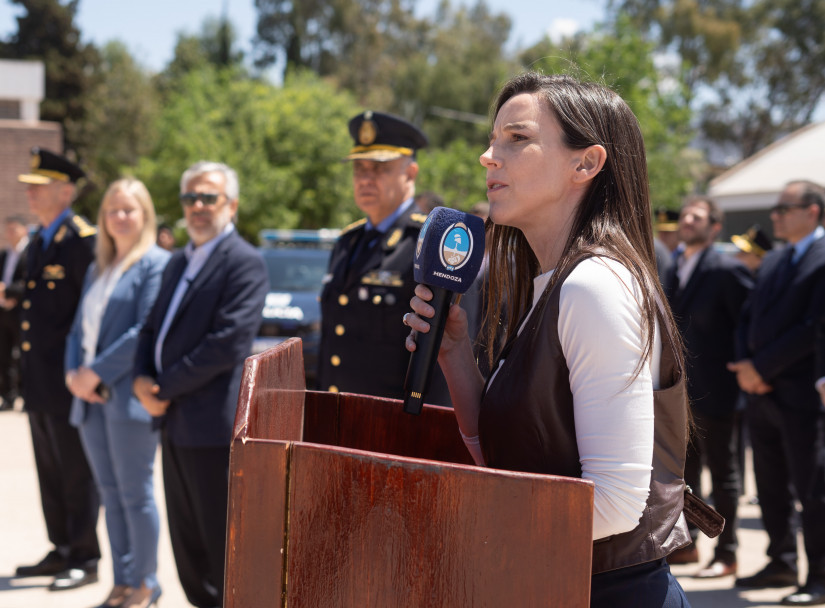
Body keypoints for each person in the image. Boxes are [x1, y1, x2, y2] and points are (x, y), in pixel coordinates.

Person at [405, 73, 692, 606]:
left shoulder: (593, 285)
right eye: (493, 142)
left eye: (516, 139)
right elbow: (510, 460)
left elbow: (613, 503)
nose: (489, 157)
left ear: (585, 163)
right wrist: (454, 356)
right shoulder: (553, 284)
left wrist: (452, 518)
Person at [133, 161, 268, 608]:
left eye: (208, 197)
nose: (197, 206)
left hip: (211, 429)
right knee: (187, 550)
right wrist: (140, 379)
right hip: (173, 423)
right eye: (190, 197)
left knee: (219, 548)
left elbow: (226, 344)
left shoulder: (244, 263)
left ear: (230, 204)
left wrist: (163, 387)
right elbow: (151, 327)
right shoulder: (177, 261)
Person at [66, 178, 170, 608]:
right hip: (88, 399)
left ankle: (146, 583)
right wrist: (74, 374)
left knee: (135, 492)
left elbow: (141, 331)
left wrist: (94, 372)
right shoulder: (99, 267)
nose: (120, 217)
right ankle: (122, 582)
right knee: (110, 494)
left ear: (144, 215)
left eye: (129, 209)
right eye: (112, 210)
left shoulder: (156, 263)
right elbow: (78, 329)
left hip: (127, 397)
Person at [729, 180, 825, 605]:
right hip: (762, 393)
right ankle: (780, 560)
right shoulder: (776, 258)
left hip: (802, 393)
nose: (775, 216)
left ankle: (819, 575)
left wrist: (761, 367)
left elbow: (813, 328)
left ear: (813, 211)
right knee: (770, 484)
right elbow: (745, 318)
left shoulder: (822, 258)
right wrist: (745, 368)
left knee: (813, 488)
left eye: (785, 208)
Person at [13, 148, 101, 592]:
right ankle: (62, 547)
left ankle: (86, 556)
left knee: (75, 469)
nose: (30, 193)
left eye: (39, 186)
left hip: (68, 379)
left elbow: (90, 314)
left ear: (65, 191)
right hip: (39, 377)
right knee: (48, 467)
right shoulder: (39, 239)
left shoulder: (81, 239)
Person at [318, 110, 449, 404]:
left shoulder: (428, 244)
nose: (365, 179)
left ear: (411, 173)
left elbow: (442, 361)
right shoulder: (347, 243)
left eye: (378, 169)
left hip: (391, 429)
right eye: (359, 169)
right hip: (334, 419)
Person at [662, 196, 753, 578]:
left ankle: (727, 553)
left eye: (696, 217)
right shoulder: (675, 264)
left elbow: (747, 325)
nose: (686, 220)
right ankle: (689, 546)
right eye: (685, 214)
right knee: (687, 473)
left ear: (715, 227)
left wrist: (744, 369)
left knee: (724, 473)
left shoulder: (726, 268)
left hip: (718, 390)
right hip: (682, 392)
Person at [0, 215, 29, 412]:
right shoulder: (3, 254)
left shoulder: (30, 252)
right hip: (2, 312)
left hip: (22, 312)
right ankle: (8, 397)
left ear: (24, 230)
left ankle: (28, 396)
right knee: (4, 356)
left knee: (26, 356)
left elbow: (30, 282)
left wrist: (11, 292)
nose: (10, 233)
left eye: (14, 229)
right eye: (8, 229)